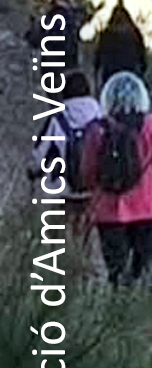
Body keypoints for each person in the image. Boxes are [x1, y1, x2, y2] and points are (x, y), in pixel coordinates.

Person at [82, 71, 152, 288]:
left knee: (116, 271)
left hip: (109, 212)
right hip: (148, 208)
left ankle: (120, 305)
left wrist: (95, 196)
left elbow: (88, 171)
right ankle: (141, 305)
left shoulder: (97, 130)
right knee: (144, 271)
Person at [30, 70, 101, 242]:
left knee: (57, 235)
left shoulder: (57, 119)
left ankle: (61, 253)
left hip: (61, 188)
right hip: (94, 188)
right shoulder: (101, 116)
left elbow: (39, 156)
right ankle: (83, 253)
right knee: (85, 234)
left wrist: (32, 172)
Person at [93, 5, 148, 89]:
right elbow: (142, 58)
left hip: (111, 76)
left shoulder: (107, 34)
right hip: (130, 75)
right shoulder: (134, 33)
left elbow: (98, 58)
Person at [27, 0, 85, 71]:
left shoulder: (48, 18)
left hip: (50, 61)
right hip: (68, 63)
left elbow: (34, 40)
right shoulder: (71, 20)